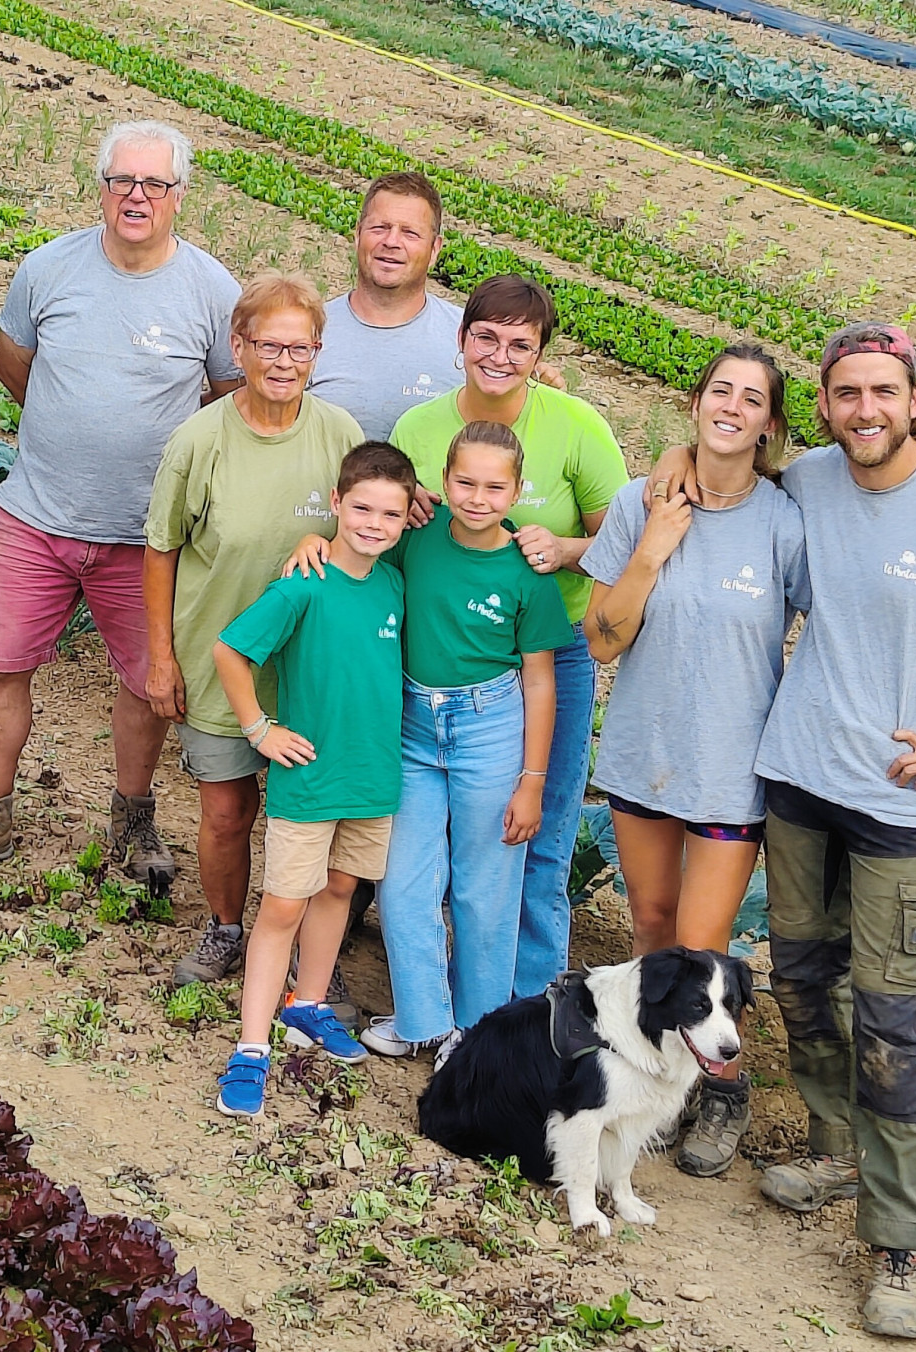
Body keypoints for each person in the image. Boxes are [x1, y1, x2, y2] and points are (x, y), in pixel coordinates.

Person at [649, 322, 916, 1339]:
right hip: (798, 775)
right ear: (829, 405)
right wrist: (675, 455)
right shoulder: (808, 482)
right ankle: (837, 1144)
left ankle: (897, 1242)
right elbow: (717, 466)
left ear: (915, 398)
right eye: (845, 393)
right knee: (799, 977)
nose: (864, 410)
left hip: (898, 801)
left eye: (882, 392)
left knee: (889, 1021)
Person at [0, 121, 242, 888]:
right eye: (122, 181)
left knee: (148, 683)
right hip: (36, 515)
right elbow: (16, 370)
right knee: (0, 666)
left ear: (181, 195)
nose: (136, 197)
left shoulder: (212, 291)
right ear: (101, 187)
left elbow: (223, 400)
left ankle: (133, 816)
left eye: (155, 185)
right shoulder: (49, 268)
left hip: (148, 538)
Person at [581, 344, 805, 1177]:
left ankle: (723, 1089)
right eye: (721, 390)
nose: (733, 406)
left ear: (770, 424)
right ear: (697, 403)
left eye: (753, 399)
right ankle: (647, 1082)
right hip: (646, 756)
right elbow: (602, 641)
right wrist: (651, 551)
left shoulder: (786, 523)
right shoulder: (646, 503)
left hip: (728, 769)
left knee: (702, 945)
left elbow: (841, 619)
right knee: (649, 929)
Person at [390, 275, 627, 1003]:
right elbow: (387, 526)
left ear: (541, 353)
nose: (500, 354)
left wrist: (561, 547)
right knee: (433, 840)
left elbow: (620, 537)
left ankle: (524, 1007)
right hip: (441, 661)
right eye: (486, 336)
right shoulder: (418, 430)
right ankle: (435, 1001)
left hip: (547, 655)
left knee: (541, 832)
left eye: (520, 343)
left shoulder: (575, 425)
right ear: (460, 340)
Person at [143, 271, 364, 989]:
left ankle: (298, 940)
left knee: (309, 816)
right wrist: (161, 660)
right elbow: (161, 548)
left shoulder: (339, 433)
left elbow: (368, 535)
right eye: (267, 345)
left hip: (311, 672)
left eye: (298, 348)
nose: (282, 362)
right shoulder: (199, 440)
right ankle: (226, 927)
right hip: (218, 659)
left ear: (317, 353)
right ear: (238, 348)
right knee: (228, 810)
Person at [349, 422, 571, 1062]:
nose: (478, 497)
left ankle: (477, 1032)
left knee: (486, 888)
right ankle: (423, 1018)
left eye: (495, 486)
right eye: (465, 482)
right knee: (405, 882)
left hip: (490, 727)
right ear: (442, 483)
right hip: (414, 726)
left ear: (517, 490)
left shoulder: (528, 573)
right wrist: (314, 537)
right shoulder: (415, 543)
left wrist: (532, 782)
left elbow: (539, 681)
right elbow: (356, 559)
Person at [209, 443, 416, 1118]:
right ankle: (250, 1048)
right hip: (310, 778)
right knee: (282, 908)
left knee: (340, 888)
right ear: (336, 503)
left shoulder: (392, 583)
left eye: (391, 513)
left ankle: (308, 1004)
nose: (375, 523)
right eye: (361, 508)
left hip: (372, 777)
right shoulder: (305, 581)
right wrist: (260, 728)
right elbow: (231, 651)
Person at [308, 172, 461, 441]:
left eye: (410, 233)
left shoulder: (468, 338)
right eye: (379, 228)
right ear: (357, 235)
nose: (391, 242)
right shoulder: (309, 331)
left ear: (435, 249)